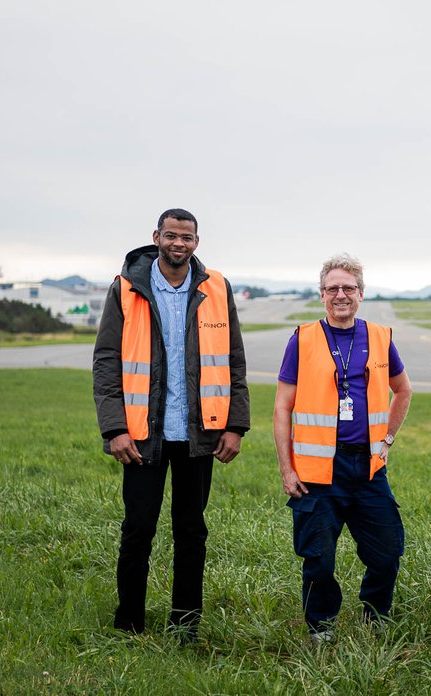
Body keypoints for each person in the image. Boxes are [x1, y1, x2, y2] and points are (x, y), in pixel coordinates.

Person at [93, 208, 250, 637]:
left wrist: (235, 425)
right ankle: (128, 625)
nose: (179, 243)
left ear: (196, 242)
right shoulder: (126, 288)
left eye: (187, 237)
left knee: (191, 533)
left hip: (200, 435)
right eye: (171, 236)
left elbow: (234, 360)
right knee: (138, 531)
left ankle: (185, 627)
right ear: (156, 237)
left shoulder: (216, 287)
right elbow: (107, 362)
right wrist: (114, 429)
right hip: (143, 436)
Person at [273, 253, 412, 644]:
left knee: (386, 554)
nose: (340, 295)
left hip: (367, 470)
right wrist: (287, 468)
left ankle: (375, 614)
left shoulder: (380, 338)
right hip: (317, 472)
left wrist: (386, 441)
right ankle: (321, 626)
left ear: (361, 293)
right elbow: (283, 407)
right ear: (321, 295)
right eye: (332, 288)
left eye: (348, 288)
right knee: (318, 559)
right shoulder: (302, 339)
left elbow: (403, 390)